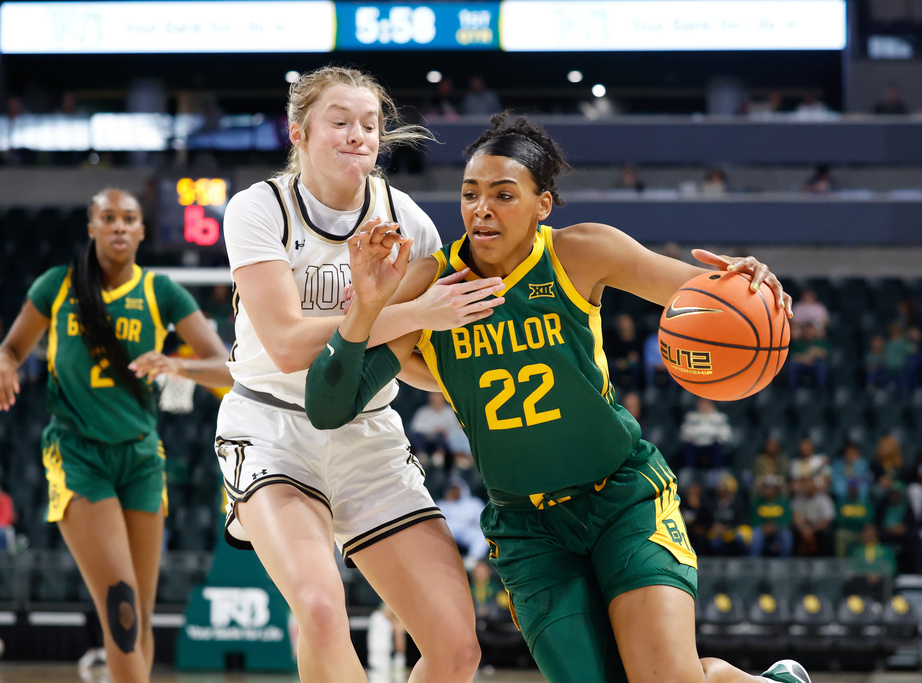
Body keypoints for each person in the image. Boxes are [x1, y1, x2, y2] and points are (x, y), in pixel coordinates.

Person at [304, 113, 811, 683]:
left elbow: (703, 293)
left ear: (543, 204)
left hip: (622, 497)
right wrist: (366, 310)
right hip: (529, 529)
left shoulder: (581, 252)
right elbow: (328, 407)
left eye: (503, 194)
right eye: (470, 194)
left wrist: (749, 283)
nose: (482, 209)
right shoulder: (433, 284)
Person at [216, 66, 489, 683]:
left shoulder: (410, 223)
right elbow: (287, 344)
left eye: (370, 125)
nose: (357, 135)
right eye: (338, 122)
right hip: (272, 430)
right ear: (298, 133)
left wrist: (462, 378)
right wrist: (408, 310)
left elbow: (404, 356)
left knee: (456, 650)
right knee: (318, 608)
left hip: (368, 432)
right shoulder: (259, 208)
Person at [0, 188, 232, 682]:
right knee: (121, 607)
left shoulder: (162, 292)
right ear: (92, 227)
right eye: (109, 218)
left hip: (142, 459)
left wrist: (176, 364)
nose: (120, 227)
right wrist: (4, 363)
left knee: (140, 618)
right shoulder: (56, 286)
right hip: (78, 456)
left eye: (129, 218)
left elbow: (227, 371)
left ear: (142, 230)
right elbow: (13, 348)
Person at [678, 398, 733, 471]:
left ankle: (716, 471)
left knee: (718, 447)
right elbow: (685, 432)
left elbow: (726, 433)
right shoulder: (691, 416)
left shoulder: (720, 417)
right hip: (696, 444)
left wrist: (714, 437)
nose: (704, 406)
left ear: (711, 404)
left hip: (712, 444)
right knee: (687, 446)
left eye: (706, 403)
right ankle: (689, 471)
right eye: (702, 403)